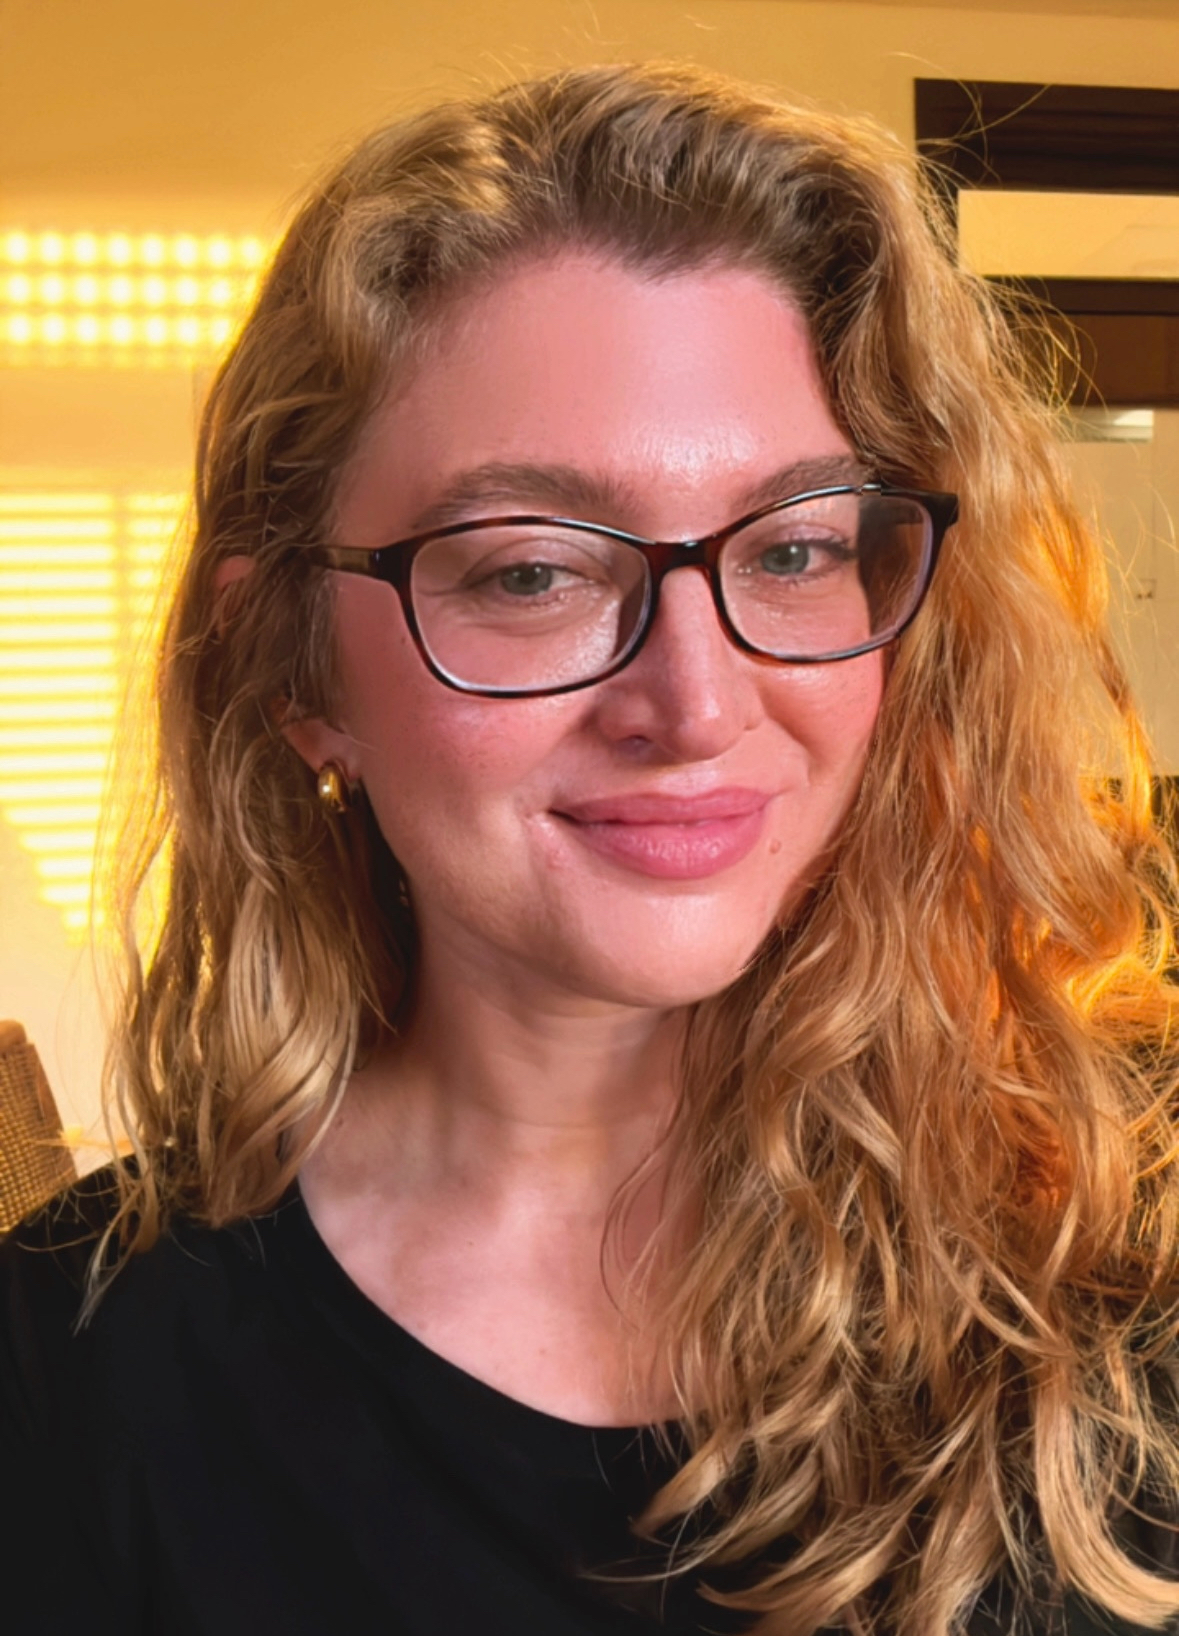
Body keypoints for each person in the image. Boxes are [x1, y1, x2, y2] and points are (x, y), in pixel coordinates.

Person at [3, 61, 1179, 1636]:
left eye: (798, 547)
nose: (696, 701)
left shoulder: (1118, 1245)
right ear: (292, 669)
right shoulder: (72, 1377)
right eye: (534, 573)